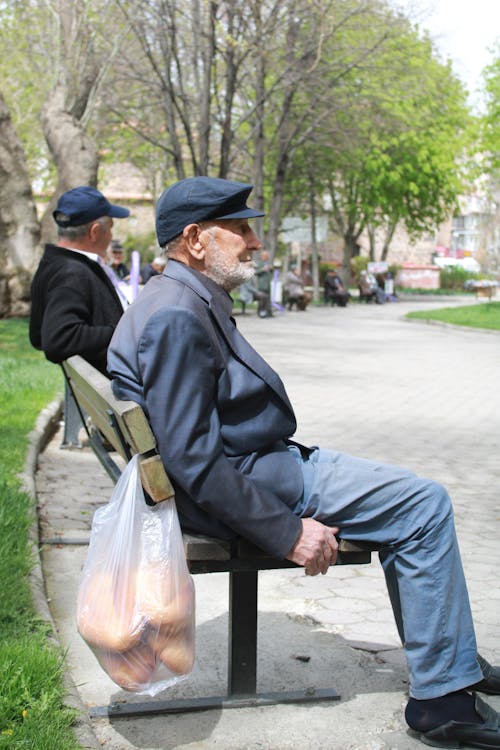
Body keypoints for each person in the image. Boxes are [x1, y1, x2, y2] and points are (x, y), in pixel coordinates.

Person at [107, 176, 500, 749]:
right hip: (252, 481)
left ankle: (451, 658)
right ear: (194, 239)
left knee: (412, 495)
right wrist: (286, 531)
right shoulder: (177, 316)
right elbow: (193, 462)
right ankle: (442, 699)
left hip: (256, 466)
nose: (254, 242)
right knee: (423, 505)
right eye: (239, 229)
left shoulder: (178, 298)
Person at [30, 186, 130, 375]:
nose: (110, 236)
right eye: (110, 229)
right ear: (94, 232)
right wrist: (128, 331)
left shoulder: (55, 263)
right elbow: (59, 339)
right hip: (116, 389)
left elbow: (38, 336)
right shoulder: (72, 272)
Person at [254, 250, 273, 317]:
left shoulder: (267, 263)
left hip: (267, 285)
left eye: (267, 256)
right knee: (261, 300)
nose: (266, 257)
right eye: (265, 256)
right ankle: (260, 313)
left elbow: (270, 273)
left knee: (268, 299)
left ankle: (268, 313)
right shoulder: (259, 263)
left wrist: (271, 269)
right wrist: (262, 270)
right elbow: (255, 273)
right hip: (262, 285)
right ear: (262, 256)